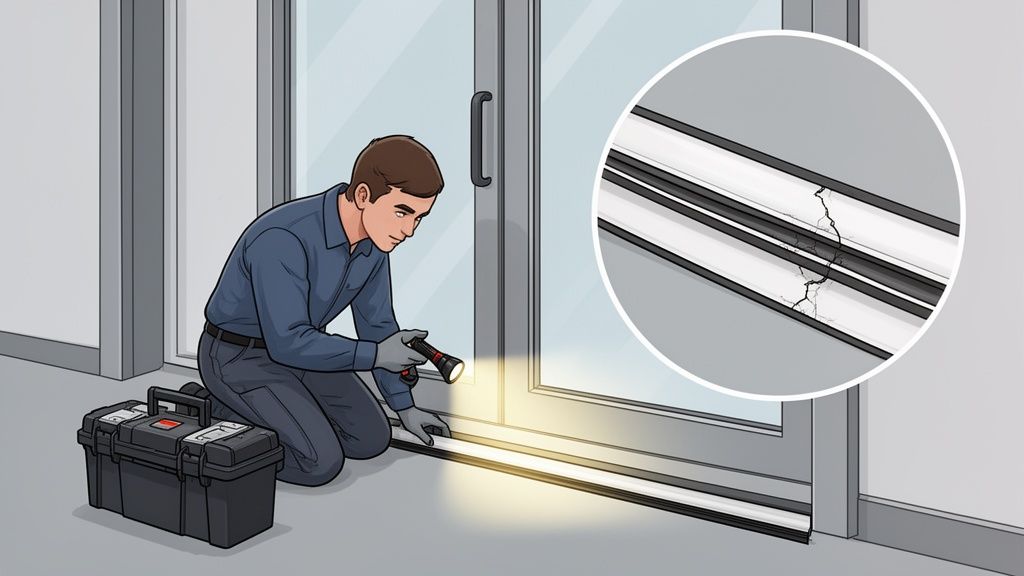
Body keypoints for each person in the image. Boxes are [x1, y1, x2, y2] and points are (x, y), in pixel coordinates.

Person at [187, 135, 452, 487]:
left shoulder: (374, 244)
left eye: (419, 218)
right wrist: (375, 355)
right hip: (237, 357)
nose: (409, 231)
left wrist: (404, 406)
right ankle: (210, 406)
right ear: (363, 196)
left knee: (371, 439)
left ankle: (276, 413)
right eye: (402, 212)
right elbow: (287, 341)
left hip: (306, 354)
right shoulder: (283, 237)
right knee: (318, 463)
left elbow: (377, 324)